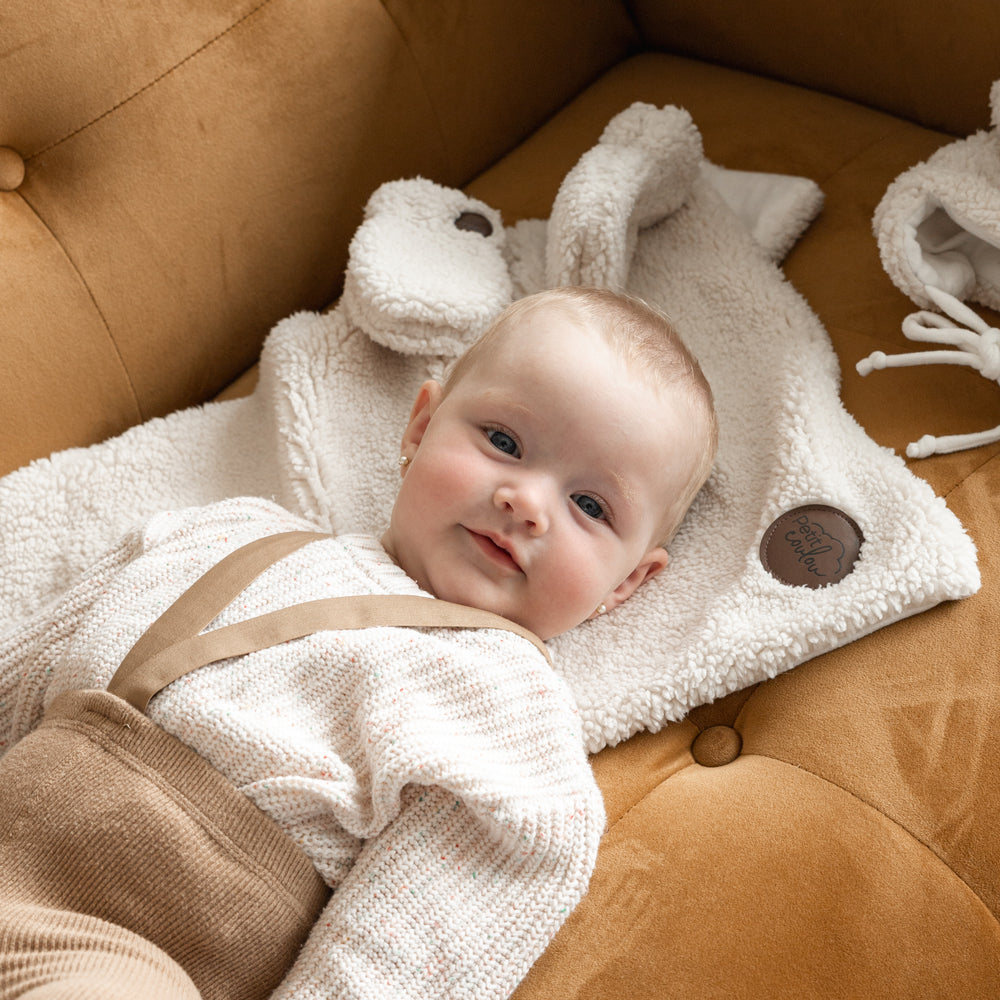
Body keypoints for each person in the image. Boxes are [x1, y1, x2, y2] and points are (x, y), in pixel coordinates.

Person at [0, 287, 717, 1000]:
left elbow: (407, 950)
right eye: (504, 442)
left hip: (130, 952)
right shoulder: (237, 529)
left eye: (589, 506)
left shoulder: (512, 718)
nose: (526, 504)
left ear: (626, 584)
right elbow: (33, 659)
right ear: (420, 429)